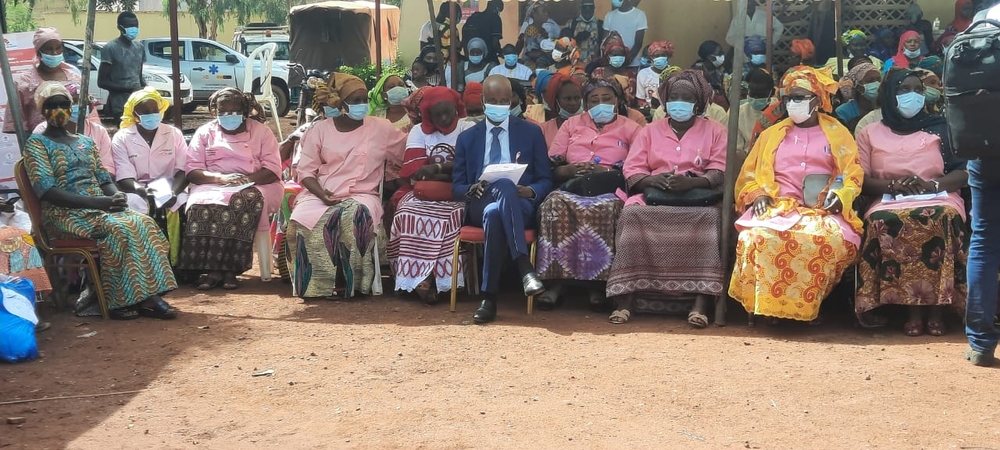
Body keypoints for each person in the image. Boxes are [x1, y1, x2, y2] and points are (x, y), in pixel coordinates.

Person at [23, 82, 177, 320]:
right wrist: (99, 203)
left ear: (71, 107)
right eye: (52, 106)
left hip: (98, 209)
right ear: (43, 110)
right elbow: (48, 191)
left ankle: (147, 294)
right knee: (118, 229)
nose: (59, 110)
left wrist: (115, 196)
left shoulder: (85, 142)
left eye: (64, 104)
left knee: (144, 223)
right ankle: (117, 300)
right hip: (63, 213)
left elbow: (104, 179)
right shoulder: (36, 144)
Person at [729, 66, 863, 324]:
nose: (792, 103)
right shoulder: (771, 134)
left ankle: (807, 308)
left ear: (817, 100)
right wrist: (757, 194)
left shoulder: (837, 133)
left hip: (821, 209)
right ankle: (769, 307)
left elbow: (851, 174)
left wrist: (842, 195)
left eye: (800, 97)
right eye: (789, 97)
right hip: (776, 206)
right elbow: (748, 176)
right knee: (757, 237)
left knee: (825, 239)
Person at [606, 70, 727, 326]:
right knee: (631, 214)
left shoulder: (716, 131)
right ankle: (627, 298)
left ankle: (700, 301)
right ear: (665, 100)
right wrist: (653, 180)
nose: (679, 102)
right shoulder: (649, 131)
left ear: (698, 102)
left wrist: (692, 182)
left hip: (698, 197)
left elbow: (719, 169)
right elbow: (633, 168)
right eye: (674, 97)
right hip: (653, 195)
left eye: (686, 98)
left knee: (710, 219)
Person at [854, 69, 968, 335]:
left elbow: (963, 171)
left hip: (939, 195)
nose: (912, 95)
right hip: (888, 199)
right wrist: (893, 186)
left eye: (918, 90)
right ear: (889, 95)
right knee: (883, 221)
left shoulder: (941, 127)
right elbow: (861, 179)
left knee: (941, 217)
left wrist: (933, 185)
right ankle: (911, 310)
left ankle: (938, 309)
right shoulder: (869, 133)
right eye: (904, 89)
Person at [288, 73, 406, 299]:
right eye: (355, 101)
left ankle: (351, 283)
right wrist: (322, 194)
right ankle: (316, 285)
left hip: (362, 194)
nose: (362, 105)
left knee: (355, 216)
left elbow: (405, 152)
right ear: (340, 103)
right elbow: (306, 172)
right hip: (320, 192)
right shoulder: (319, 130)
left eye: (364, 100)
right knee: (301, 220)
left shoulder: (381, 128)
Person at [451, 75, 553, 324]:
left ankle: (489, 299)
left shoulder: (531, 132)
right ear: (483, 101)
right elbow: (457, 186)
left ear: (512, 101)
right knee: (499, 192)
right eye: (493, 100)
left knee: (496, 212)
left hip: (520, 204)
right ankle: (524, 266)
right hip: (480, 201)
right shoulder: (467, 138)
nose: (499, 105)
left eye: (504, 101)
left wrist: (529, 191)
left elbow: (545, 179)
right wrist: (472, 187)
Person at [536, 77, 641, 311]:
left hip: (611, 188)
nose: (600, 104)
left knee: (608, 209)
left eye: (607, 98)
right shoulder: (571, 124)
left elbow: (637, 168)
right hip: (572, 185)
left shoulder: (632, 128)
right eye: (594, 100)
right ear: (586, 103)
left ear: (617, 100)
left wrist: (604, 171)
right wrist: (571, 169)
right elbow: (552, 165)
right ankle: (556, 282)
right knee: (553, 204)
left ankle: (598, 285)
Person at [178, 88, 282, 291]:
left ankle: (230, 270)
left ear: (244, 111)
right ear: (214, 112)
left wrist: (245, 180)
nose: (229, 116)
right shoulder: (205, 132)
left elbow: (272, 170)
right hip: (213, 183)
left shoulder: (261, 132)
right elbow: (192, 170)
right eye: (223, 112)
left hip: (258, 183)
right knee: (200, 206)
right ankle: (212, 269)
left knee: (243, 201)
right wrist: (220, 178)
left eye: (234, 112)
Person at [388, 86, 472, 303]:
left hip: (459, 194)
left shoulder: (468, 127)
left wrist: (436, 169)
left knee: (452, 218)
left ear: (456, 108)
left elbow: (471, 167)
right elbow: (415, 172)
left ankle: (442, 279)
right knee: (406, 211)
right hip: (424, 193)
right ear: (428, 115)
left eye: (448, 112)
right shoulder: (418, 132)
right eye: (437, 114)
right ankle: (416, 276)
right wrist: (451, 173)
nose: (443, 119)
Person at [3, 28, 82, 134]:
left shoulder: (75, 78)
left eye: (58, 48)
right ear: (38, 52)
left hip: (75, 139)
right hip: (38, 140)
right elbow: (14, 122)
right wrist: (32, 141)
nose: (54, 53)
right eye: (49, 49)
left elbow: (89, 112)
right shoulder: (24, 82)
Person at [32, 83, 113, 176]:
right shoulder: (39, 136)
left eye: (64, 105)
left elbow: (106, 169)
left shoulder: (92, 138)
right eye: (74, 102)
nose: (79, 106)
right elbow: (43, 177)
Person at [98, 12, 145, 120]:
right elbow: (102, 82)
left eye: (135, 25)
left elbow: (139, 76)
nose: (133, 29)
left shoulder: (139, 47)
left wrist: (146, 89)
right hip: (120, 106)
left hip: (139, 103)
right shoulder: (110, 48)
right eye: (129, 26)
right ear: (120, 27)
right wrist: (128, 89)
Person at [725, 68, 776, 161]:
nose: (755, 98)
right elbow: (736, 149)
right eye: (752, 94)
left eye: (760, 95)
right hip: (747, 160)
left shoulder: (779, 111)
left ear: (772, 93)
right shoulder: (737, 113)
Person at [538, 73, 584, 147]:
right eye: (567, 99)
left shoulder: (592, 124)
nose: (573, 103)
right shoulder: (543, 130)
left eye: (577, 98)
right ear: (556, 100)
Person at [834, 62, 880, 132]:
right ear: (857, 86)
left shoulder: (886, 107)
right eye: (870, 81)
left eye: (879, 80)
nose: (876, 84)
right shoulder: (843, 111)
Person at [604, 0, 647, 68]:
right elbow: (605, 42)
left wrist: (627, 60)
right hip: (613, 63)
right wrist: (613, 61)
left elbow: (638, 43)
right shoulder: (609, 16)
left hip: (632, 63)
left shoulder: (639, 15)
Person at [693, 40, 730, 111]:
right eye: (719, 54)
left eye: (722, 53)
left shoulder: (720, 72)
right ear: (709, 56)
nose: (722, 56)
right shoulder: (696, 72)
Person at [636, 40, 673, 109]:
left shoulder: (673, 73)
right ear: (651, 58)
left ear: (668, 56)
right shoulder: (643, 74)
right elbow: (640, 100)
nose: (660, 58)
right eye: (656, 56)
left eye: (663, 55)